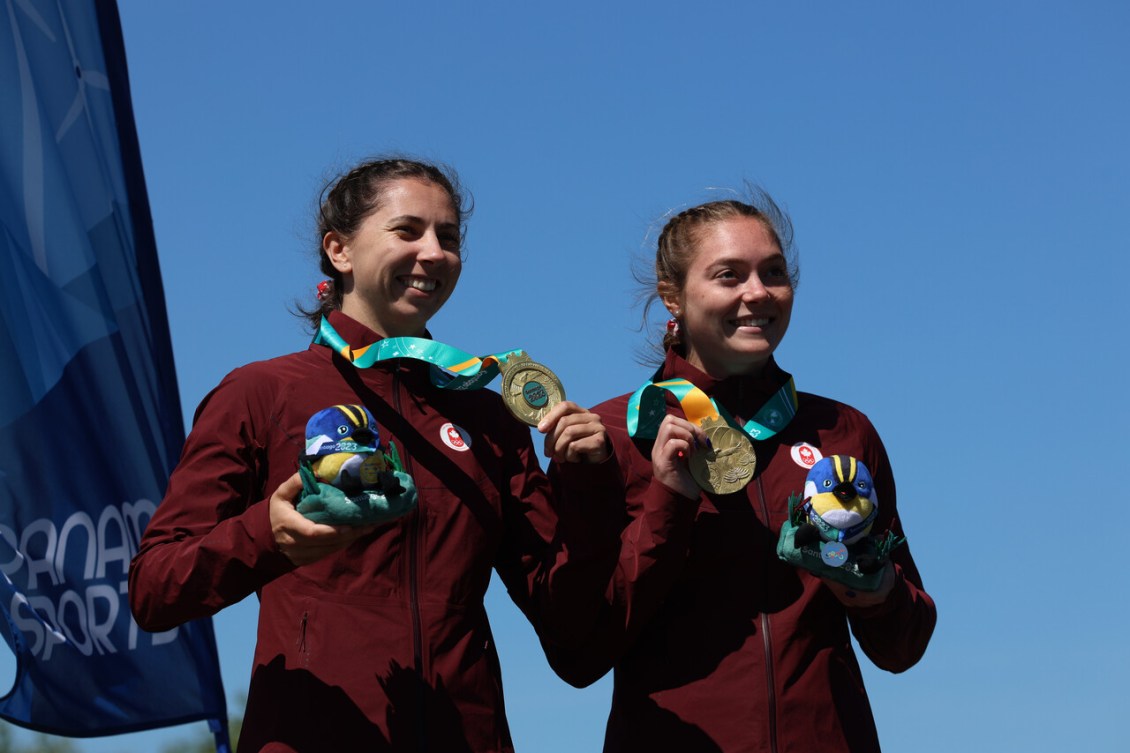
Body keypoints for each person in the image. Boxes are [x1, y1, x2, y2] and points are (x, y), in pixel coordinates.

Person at [128, 157, 612, 753]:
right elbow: (154, 589)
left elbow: (577, 641)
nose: (434, 252)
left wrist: (585, 484)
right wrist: (266, 537)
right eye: (407, 231)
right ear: (340, 251)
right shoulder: (263, 393)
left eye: (449, 237)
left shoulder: (490, 419)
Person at [545, 192, 936, 752]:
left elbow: (904, 646)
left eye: (773, 273)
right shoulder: (608, 437)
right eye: (729, 275)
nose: (758, 293)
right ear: (671, 297)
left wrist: (873, 588)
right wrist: (668, 501)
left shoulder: (842, 432)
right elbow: (579, 650)